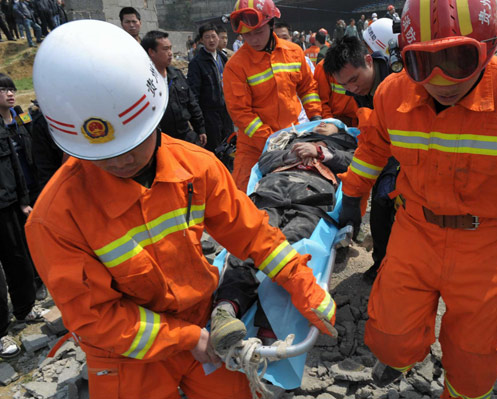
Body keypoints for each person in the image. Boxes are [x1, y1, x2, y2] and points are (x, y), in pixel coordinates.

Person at [27, 20, 336, 399]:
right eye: (107, 155)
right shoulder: (56, 217)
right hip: (127, 353)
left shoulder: (196, 167)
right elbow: (95, 318)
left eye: (134, 144)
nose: (123, 161)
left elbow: (251, 232)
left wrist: (298, 279)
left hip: (199, 322)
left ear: (155, 115)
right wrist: (185, 338)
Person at [337, 0, 497, 397]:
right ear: (403, 58)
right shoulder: (392, 94)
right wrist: (350, 200)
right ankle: (402, 358)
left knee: (475, 363)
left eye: (458, 58)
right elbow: (373, 150)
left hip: (486, 246)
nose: (442, 81)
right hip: (414, 234)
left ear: (489, 46)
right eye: (424, 64)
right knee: (390, 336)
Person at [210, 121, 354, 353]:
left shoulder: (346, 146)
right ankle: (226, 309)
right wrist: (292, 155)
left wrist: (321, 154)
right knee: (249, 244)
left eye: (330, 124)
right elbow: (264, 162)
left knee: (292, 247)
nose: (325, 123)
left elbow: (355, 166)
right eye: (322, 122)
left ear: (341, 133)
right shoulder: (291, 140)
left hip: (312, 196)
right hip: (272, 188)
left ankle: (271, 325)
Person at [223, 0, 322, 191]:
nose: (253, 40)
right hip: (253, 146)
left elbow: (308, 88)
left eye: (258, 32)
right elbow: (241, 113)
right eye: (247, 35)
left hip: (295, 136)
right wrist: (272, 142)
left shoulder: (294, 52)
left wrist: (316, 118)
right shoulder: (235, 66)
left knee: (301, 193)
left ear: (271, 25)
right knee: (245, 196)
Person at [324, 35, 396, 281]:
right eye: (346, 85)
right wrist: (353, 197)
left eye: (354, 80)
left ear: (368, 59)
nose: (352, 88)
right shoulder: (362, 91)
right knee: (381, 209)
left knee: (390, 203)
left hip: (419, 157)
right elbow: (371, 144)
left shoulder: (398, 80)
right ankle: (384, 264)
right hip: (389, 152)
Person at [0, 74, 46, 359]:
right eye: (3, 89)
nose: (9, 93)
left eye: (10, 88)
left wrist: (24, 200)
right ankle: (1, 333)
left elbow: (17, 165)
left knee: (18, 259)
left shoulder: (14, 123)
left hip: (10, 203)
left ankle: (24, 308)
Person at [142, 30, 207, 148]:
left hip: (186, 137)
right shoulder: (145, 82)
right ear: (151, 52)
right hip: (162, 142)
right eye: (165, 49)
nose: (170, 53)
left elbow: (192, 104)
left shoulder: (176, 75)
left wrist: (200, 128)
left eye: (170, 48)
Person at [187, 24, 231, 152]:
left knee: (229, 146)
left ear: (218, 37)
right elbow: (193, 94)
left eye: (213, 36)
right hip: (209, 115)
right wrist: (198, 123)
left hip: (225, 112)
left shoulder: (222, 58)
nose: (211, 40)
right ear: (201, 40)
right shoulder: (197, 63)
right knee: (215, 149)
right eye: (207, 37)